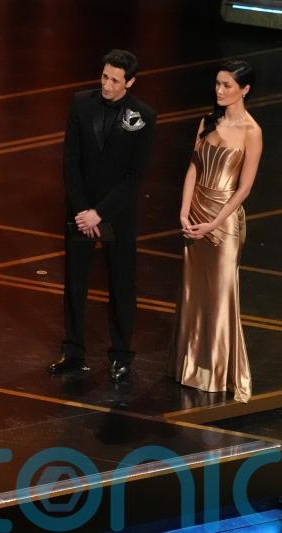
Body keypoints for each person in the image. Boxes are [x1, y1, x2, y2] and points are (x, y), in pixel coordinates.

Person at [47, 49, 157, 382]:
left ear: (130, 82)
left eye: (114, 79)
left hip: (116, 214)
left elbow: (135, 176)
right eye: (104, 76)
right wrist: (82, 210)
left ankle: (122, 355)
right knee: (75, 281)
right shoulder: (81, 103)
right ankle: (73, 350)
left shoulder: (144, 116)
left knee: (121, 283)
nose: (106, 84)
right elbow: (71, 160)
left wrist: (100, 213)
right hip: (81, 212)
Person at [169, 60, 262, 403]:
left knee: (222, 295)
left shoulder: (252, 131)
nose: (219, 90)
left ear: (245, 89)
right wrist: (183, 211)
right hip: (196, 214)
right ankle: (190, 368)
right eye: (218, 84)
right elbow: (193, 168)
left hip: (224, 221)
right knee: (194, 292)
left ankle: (220, 373)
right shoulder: (207, 121)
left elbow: (244, 189)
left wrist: (213, 222)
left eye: (227, 85)